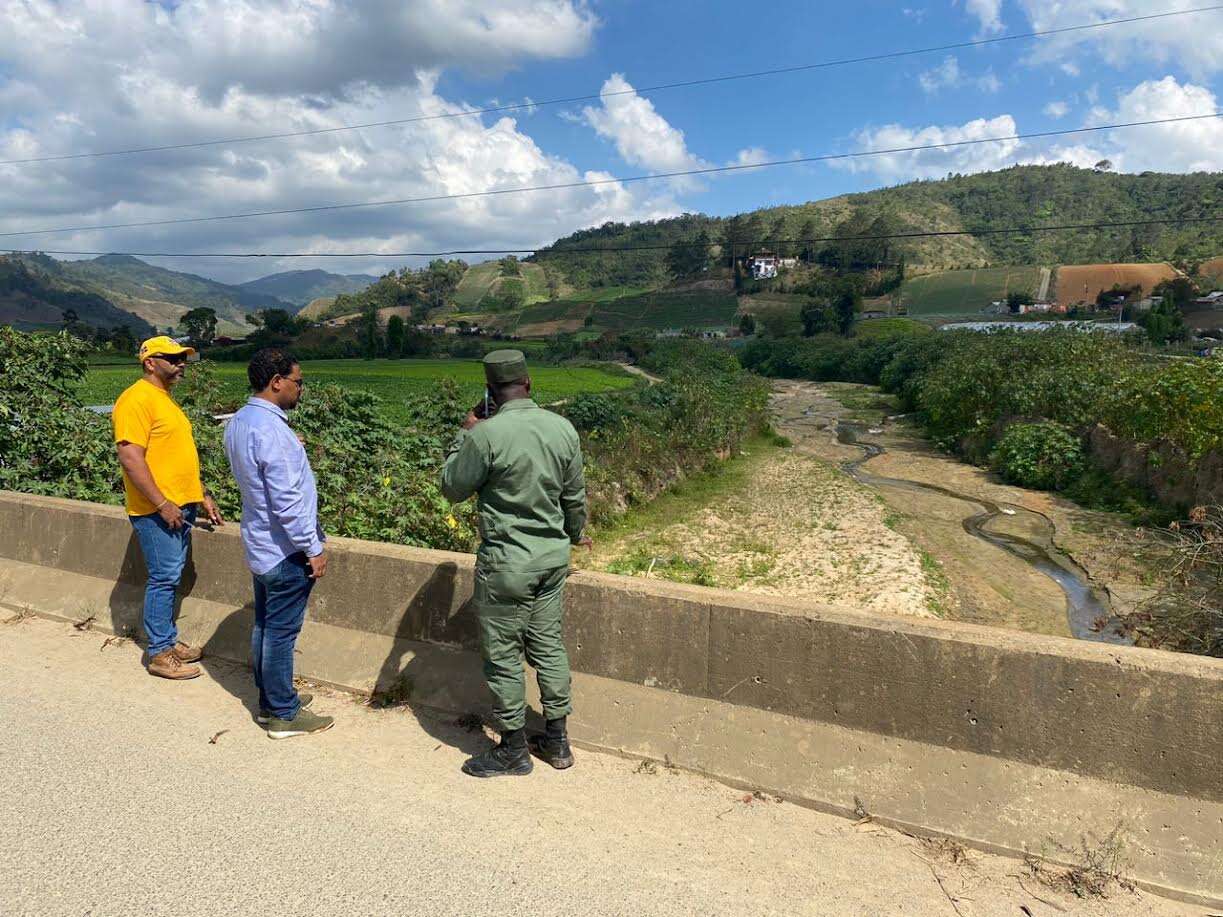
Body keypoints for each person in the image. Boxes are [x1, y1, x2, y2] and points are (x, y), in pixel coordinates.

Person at [441, 349, 591, 778]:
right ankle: (558, 740)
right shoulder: (563, 429)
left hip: (507, 563)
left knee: (504, 654)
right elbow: (573, 497)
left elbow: (452, 486)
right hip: (551, 560)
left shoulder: (485, 435)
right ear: (528, 384)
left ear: (490, 392)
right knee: (548, 644)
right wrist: (576, 534)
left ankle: (512, 749)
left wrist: (464, 433)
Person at [223, 348, 333, 739]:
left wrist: (290, 442)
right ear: (277, 382)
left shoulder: (241, 421)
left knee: (265, 626)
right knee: (281, 633)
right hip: (286, 550)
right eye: (298, 382)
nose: (301, 389)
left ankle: (272, 701)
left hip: (260, 542)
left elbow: (258, 471)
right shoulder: (272, 431)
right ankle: (284, 714)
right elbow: (288, 500)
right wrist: (313, 548)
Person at [113, 335, 224, 680]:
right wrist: (162, 504)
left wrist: (200, 494)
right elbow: (131, 459)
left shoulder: (164, 400)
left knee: (171, 575)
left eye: (183, 359)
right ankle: (160, 653)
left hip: (180, 505)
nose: (181, 365)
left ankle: (168, 641)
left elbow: (176, 458)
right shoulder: (135, 400)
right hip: (156, 510)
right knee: (163, 578)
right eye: (173, 359)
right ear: (150, 362)